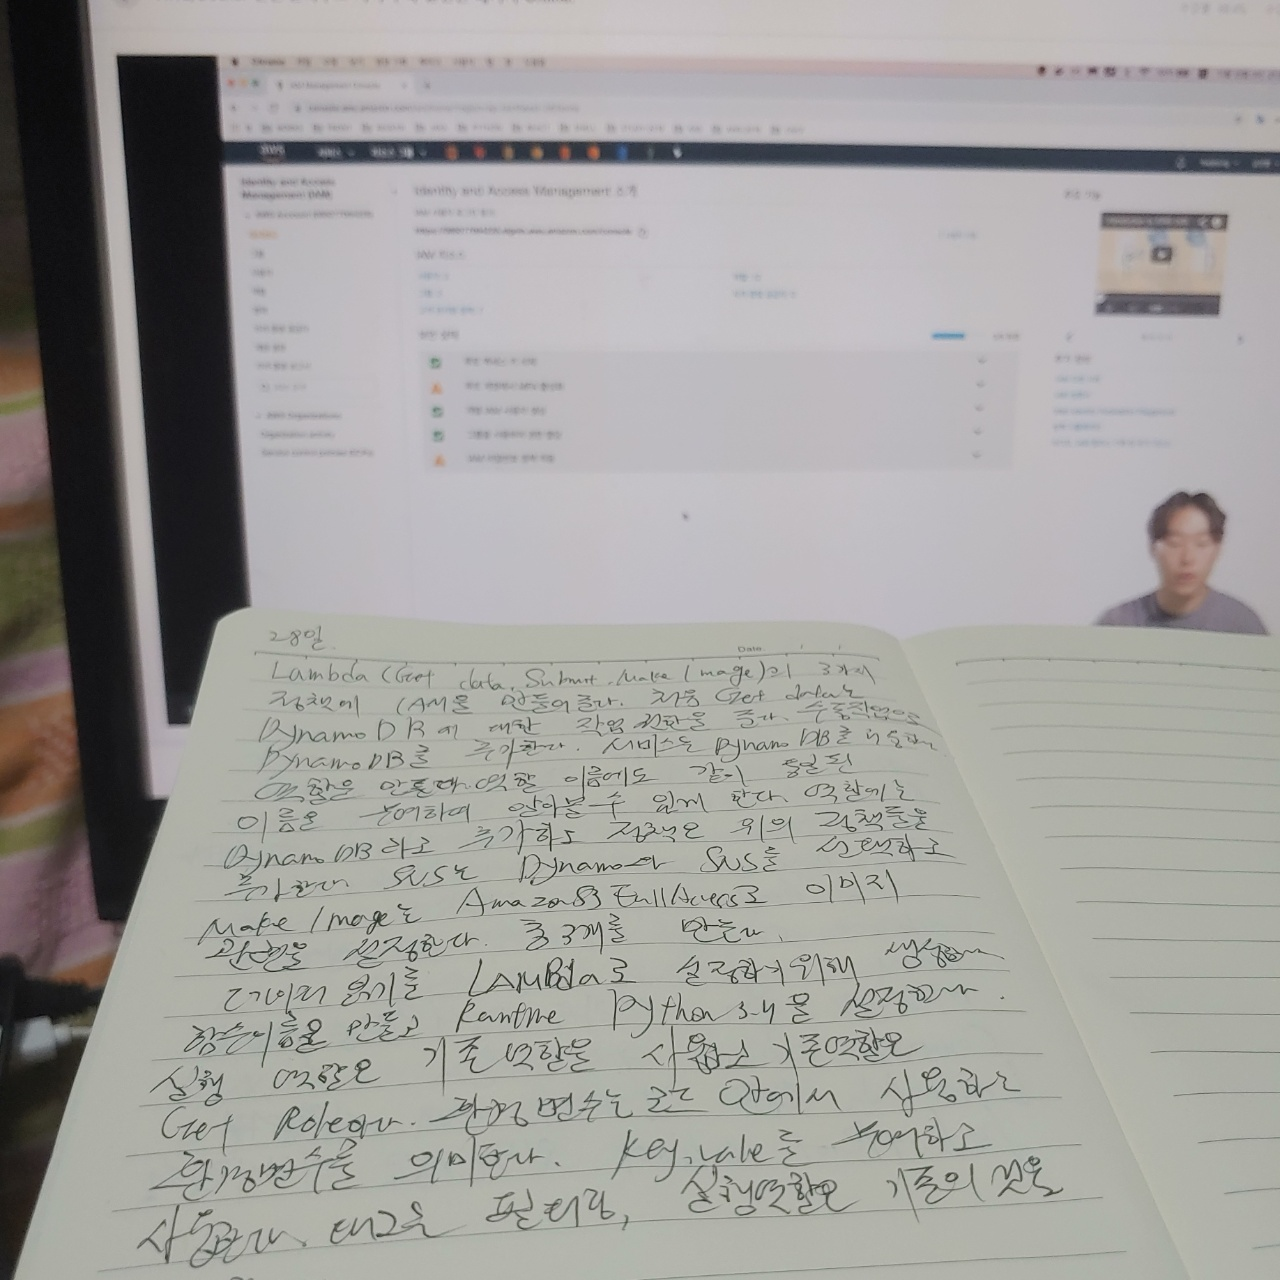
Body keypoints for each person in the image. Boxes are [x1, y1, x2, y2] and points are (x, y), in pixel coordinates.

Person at [1097, 491, 1268, 634]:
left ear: (1217, 550)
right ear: (1153, 547)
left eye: (1201, 544)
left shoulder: (1241, 625)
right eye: (1175, 543)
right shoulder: (1119, 624)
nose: (1187, 558)